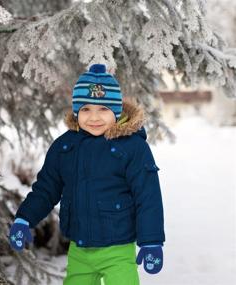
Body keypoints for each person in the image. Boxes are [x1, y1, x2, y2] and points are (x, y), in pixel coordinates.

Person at [9, 63, 166, 285]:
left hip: (118, 248)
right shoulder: (65, 147)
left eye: (103, 109)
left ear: (116, 111)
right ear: (76, 111)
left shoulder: (132, 147)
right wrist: (24, 218)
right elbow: (46, 189)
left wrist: (151, 241)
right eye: (86, 109)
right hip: (79, 247)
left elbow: (147, 196)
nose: (94, 117)